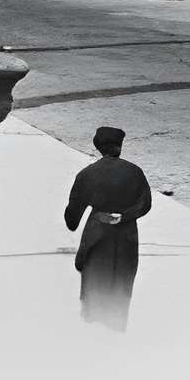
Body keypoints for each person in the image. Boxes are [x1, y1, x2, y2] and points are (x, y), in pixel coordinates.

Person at [64, 125, 152, 330]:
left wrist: (77, 217)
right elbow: (145, 204)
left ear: (98, 147)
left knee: (94, 292)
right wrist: (124, 216)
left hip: (97, 235)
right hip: (127, 238)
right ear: (119, 147)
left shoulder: (87, 174)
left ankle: (91, 334)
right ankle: (117, 334)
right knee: (120, 291)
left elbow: (72, 219)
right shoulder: (135, 172)